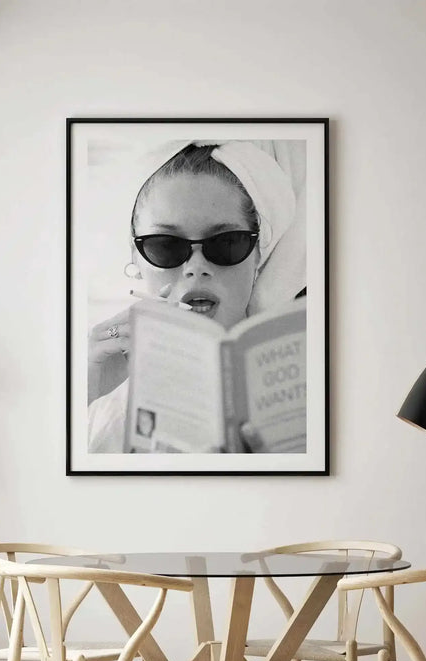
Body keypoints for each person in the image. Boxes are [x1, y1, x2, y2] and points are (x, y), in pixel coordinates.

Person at [88, 140, 303, 453]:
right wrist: (85, 395)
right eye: (165, 245)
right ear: (136, 257)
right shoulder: (98, 409)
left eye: (227, 243)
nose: (196, 268)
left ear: (258, 254)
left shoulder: (309, 401)